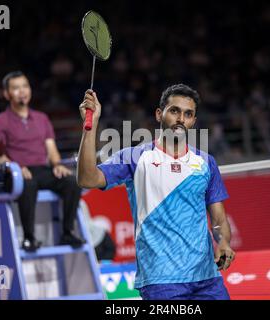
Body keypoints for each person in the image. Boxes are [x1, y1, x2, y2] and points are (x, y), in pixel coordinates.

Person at [76, 84, 235, 300]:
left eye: (188, 114)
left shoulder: (206, 163)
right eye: (174, 111)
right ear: (160, 114)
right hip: (161, 280)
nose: (181, 118)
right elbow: (87, 178)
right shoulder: (135, 157)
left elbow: (218, 219)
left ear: (193, 121)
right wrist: (91, 126)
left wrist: (223, 242)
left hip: (206, 278)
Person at [0, 71, 84, 252]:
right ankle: (29, 238)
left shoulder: (42, 118)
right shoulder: (0, 121)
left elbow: (51, 149)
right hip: (17, 174)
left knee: (72, 181)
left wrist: (57, 165)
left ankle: (67, 232)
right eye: (16, 88)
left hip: (42, 170)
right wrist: (15, 168)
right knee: (28, 183)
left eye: (25, 86)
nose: (22, 91)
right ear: (7, 94)